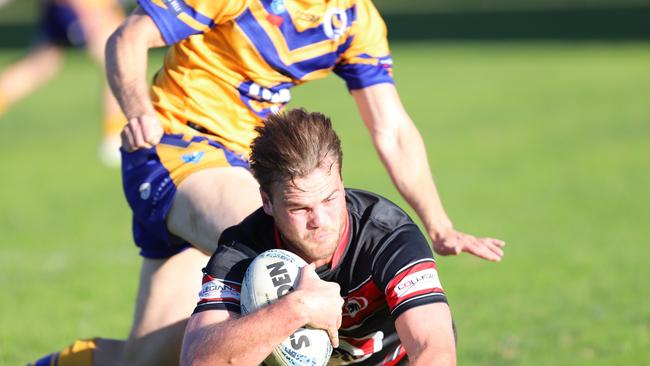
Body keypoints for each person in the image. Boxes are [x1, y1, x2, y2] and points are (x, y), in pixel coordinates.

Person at [33, 0, 503, 364]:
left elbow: (392, 127)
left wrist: (438, 224)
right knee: (285, 262)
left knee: (146, 360)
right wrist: (136, 112)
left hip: (244, 166)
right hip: (176, 148)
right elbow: (128, 36)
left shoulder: (352, 18)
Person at [181, 109, 457, 365]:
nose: (320, 221)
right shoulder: (243, 249)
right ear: (267, 201)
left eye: (330, 199)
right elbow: (197, 359)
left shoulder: (387, 237)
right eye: (300, 208)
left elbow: (435, 349)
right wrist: (295, 309)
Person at [0, 0, 126, 166]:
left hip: (67, 6)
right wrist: (87, 13)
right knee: (116, 53)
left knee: (41, 64)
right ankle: (115, 136)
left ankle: (116, 134)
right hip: (86, 6)